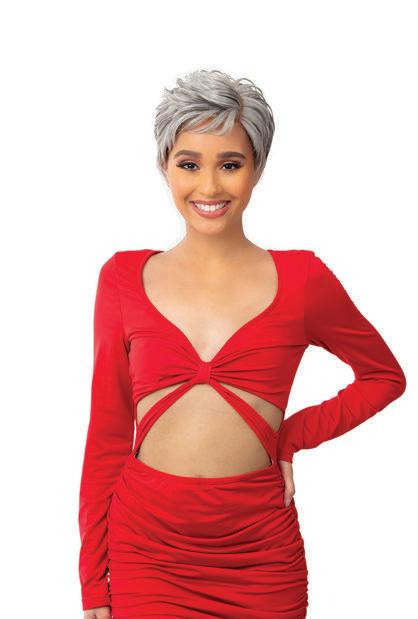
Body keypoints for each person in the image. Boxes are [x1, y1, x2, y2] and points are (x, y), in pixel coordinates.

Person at [78, 69, 407, 619]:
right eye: (189, 164)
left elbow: (384, 377)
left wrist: (292, 435)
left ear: (257, 168)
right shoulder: (121, 279)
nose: (209, 187)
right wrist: (93, 579)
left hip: (259, 555)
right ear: (164, 167)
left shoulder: (303, 280)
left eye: (230, 164)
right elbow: (107, 436)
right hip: (147, 550)